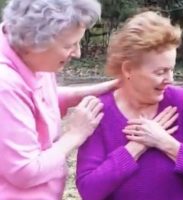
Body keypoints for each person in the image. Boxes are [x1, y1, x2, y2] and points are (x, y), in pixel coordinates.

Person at [76, 11, 183, 200]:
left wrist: (165, 143)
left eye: (172, 69)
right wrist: (135, 147)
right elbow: (89, 190)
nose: (170, 79)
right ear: (128, 69)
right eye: (161, 72)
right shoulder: (98, 112)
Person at [0, 0, 118, 199]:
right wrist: (75, 134)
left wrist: (98, 90)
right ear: (34, 42)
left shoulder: (29, 56)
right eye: (70, 45)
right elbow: (25, 172)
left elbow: (35, 101)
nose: (78, 52)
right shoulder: (4, 86)